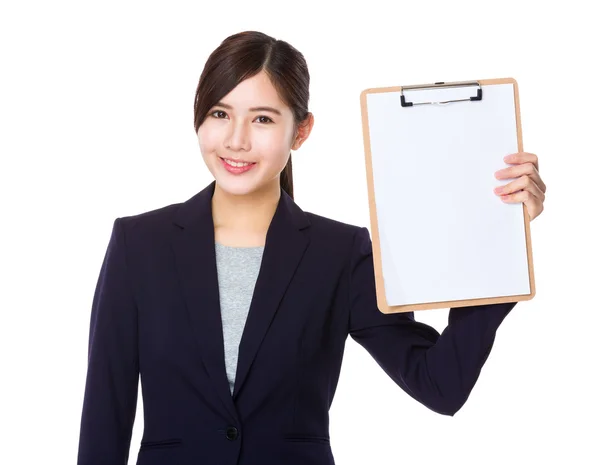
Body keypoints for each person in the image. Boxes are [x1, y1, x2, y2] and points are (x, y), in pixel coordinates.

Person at [77, 31, 547, 465]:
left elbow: (440, 385)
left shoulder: (340, 254)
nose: (236, 140)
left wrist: (500, 237)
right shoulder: (138, 245)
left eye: (262, 118)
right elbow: (105, 417)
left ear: (300, 132)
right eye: (220, 113)